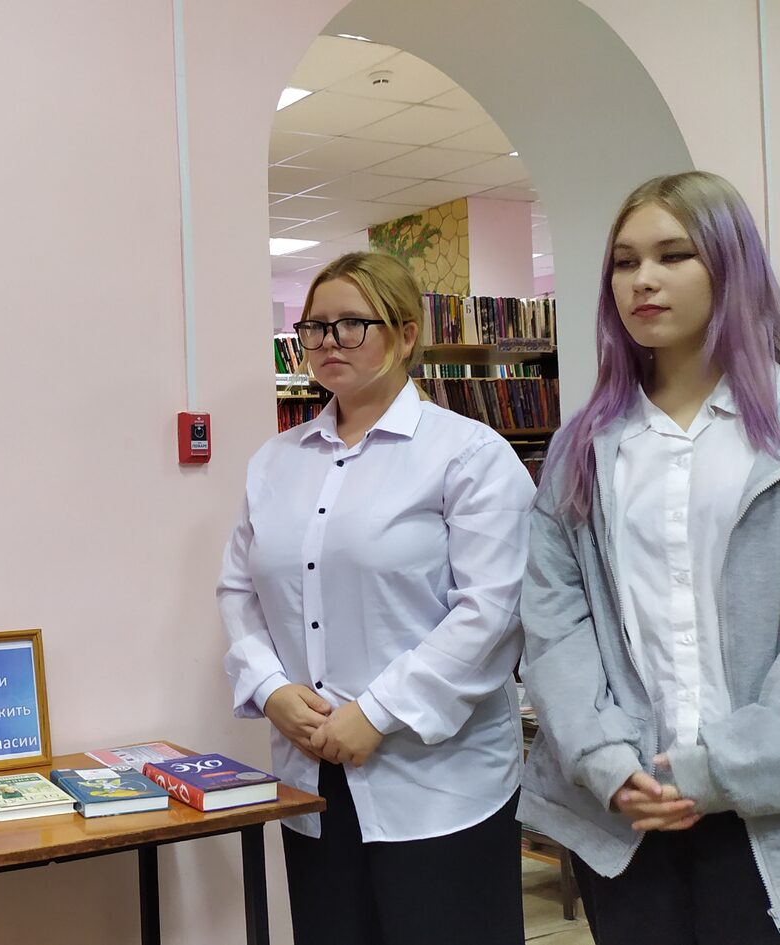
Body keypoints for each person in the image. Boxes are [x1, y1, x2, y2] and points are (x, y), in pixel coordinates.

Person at [519, 170, 780, 944]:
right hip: (628, 813)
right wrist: (604, 759)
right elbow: (556, 622)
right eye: (625, 262)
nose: (643, 280)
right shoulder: (584, 447)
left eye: (674, 255)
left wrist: (721, 769)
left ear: (732, 266)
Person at [218, 251, 533, 943]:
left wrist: (377, 711)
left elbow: (493, 611)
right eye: (315, 326)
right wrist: (270, 687)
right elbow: (240, 589)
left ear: (407, 333)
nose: (329, 341)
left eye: (352, 324)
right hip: (312, 777)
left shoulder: (469, 454)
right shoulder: (275, 462)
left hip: (438, 783)